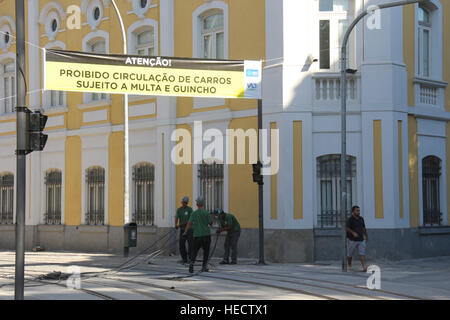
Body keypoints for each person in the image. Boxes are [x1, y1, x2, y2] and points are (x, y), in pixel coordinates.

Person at [183, 196, 213, 273]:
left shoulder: (194, 213)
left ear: (197, 204)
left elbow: (189, 223)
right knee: (206, 251)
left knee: (194, 251)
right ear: (203, 203)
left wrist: (185, 232)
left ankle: (191, 264)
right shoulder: (206, 213)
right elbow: (210, 222)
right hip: (206, 235)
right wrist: (211, 217)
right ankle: (204, 266)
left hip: (197, 235)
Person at [346, 205, 368, 272]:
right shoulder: (350, 219)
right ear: (353, 212)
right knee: (350, 254)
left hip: (361, 239)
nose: (358, 212)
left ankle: (364, 267)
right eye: (357, 211)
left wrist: (366, 236)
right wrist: (353, 233)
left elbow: (363, 228)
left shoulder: (361, 219)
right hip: (352, 240)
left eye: (359, 211)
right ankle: (349, 265)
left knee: (362, 253)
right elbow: (347, 228)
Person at [175, 196, 193, 264]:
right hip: (182, 230)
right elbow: (177, 217)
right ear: (181, 202)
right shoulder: (179, 210)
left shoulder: (190, 209)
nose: (184, 204)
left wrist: (182, 224)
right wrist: (176, 224)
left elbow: (190, 220)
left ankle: (190, 258)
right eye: (183, 202)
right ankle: (184, 259)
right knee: (181, 244)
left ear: (187, 203)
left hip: (189, 230)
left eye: (185, 203)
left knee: (190, 244)